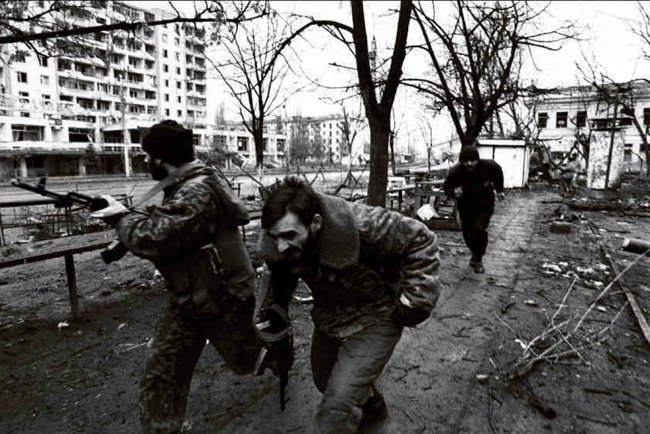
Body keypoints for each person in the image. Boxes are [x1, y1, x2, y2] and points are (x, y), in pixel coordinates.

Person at [90, 120, 261, 433]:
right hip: (193, 297)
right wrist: (127, 218)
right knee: (160, 376)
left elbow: (154, 238)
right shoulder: (186, 184)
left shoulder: (196, 190)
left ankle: (276, 350)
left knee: (247, 360)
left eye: (148, 155)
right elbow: (172, 227)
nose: (145, 161)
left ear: (161, 158)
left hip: (224, 301)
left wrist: (120, 219)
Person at [256, 176, 440, 433]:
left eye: (288, 235)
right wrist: (274, 312)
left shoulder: (364, 224)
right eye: (275, 237)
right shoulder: (279, 238)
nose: (280, 245)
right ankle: (373, 409)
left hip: (376, 315)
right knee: (324, 380)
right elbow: (278, 274)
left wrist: (415, 300)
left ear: (316, 223)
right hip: (329, 318)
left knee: (336, 407)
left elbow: (422, 238)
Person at [442, 145, 505, 274]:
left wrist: (499, 190)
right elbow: (446, 187)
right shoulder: (456, 171)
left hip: (485, 204)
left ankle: (478, 258)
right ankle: (475, 254)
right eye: (466, 161)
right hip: (466, 205)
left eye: (472, 160)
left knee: (479, 228)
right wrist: (453, 191)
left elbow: (498, 173)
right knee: (468, 234)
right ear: (462, 161)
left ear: (478, 159)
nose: (469, 164)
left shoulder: (489, 166)